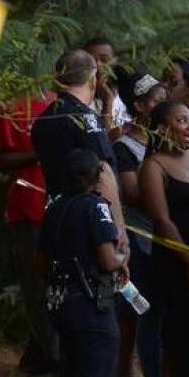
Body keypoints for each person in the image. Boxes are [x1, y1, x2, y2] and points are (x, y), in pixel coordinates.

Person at [36, 148, 129, 377]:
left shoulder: (54, 207)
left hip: (62, 302)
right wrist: (121, 261)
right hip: (92, 304)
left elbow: (41, 262)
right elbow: (107, 259)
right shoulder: (96, 207)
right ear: (96, 177)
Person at [139, 100, 189, 377]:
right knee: (174, 325)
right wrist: (188, 260)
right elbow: (162, 220)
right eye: (181, 121)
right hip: (173, 257)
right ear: (164, 128)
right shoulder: (154, 165)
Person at [0, 90, 60, 375]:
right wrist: (36, 153)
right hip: (30, 208)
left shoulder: (65, 103)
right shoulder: (11, 105)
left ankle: (44, 352)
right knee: (37, 283)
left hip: (67, 207)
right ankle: (54, 356)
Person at [31, 48, 128, 254]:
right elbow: (103, 173)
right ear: (93, 79)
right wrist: (118, 229)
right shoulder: (86, 119)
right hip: (92, 221)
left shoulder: (43, 120)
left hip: (58, 216)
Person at [111, 69, 169, 377]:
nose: (165, 106)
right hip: (139, 237)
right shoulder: (125, 147)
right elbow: (132, 194)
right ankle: (137, 375)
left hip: (165, 236)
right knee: (142, 309)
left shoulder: (171, 143)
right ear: (140, 106)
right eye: (157, 101)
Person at [83, 36, 130, 140]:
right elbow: (103, 140)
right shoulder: (80, 101)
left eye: (104, 60)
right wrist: (107, 101)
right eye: (91, 60)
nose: (98, 65)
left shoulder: (127, 94)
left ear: (115, 61)